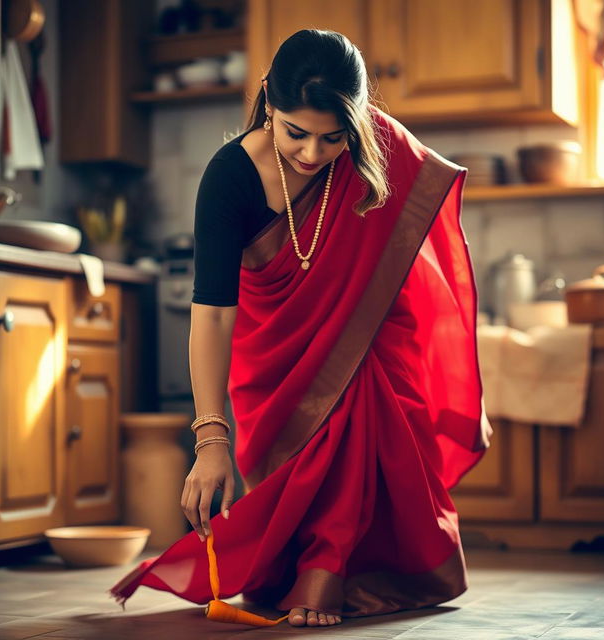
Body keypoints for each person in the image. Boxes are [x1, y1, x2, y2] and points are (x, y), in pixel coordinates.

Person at [111, 29, 492, 628]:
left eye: (333, 138)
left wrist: (359, 319)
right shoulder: (230, 176)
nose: (313, 154)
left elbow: (401, 252)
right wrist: (211, 441)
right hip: (272, 358)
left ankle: (331, 574)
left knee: (360, 406)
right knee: (299, 472)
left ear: (358, 123)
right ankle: (306, 571)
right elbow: (212, 312)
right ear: (268, 100)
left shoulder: (378, 151)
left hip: (370, 340)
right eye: (295, 132)